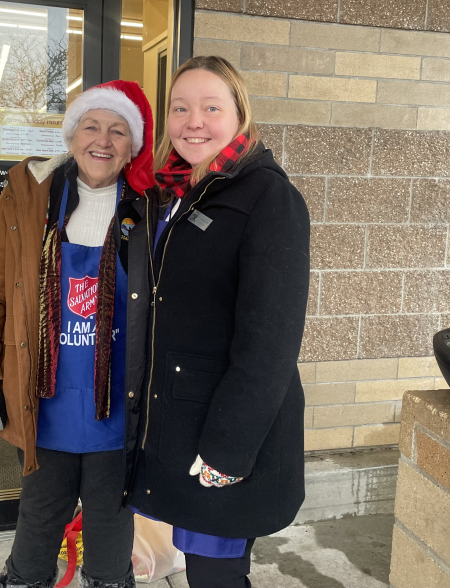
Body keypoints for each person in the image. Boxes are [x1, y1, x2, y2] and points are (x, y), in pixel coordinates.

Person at [0, 80, 155, 588]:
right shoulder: (30, 193)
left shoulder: (153, 208)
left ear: (132, 145)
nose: (102, 140)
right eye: (91, 126)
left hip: (120, 404)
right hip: (42, 399)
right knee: (40, 517)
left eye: (118, 130)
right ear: (71, 136)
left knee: (112, 524)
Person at [125, 56, 311, 588]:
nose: (194, 121)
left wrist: (228, 449)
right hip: (179, 420)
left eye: (211, 107)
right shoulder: (175, 193)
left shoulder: (268, 198)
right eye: (180, 108)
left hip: (225, 429)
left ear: (239, 115)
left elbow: (270, 342)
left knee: (215, 574)